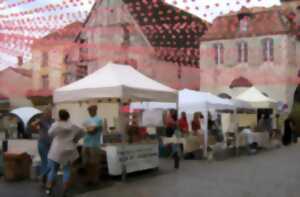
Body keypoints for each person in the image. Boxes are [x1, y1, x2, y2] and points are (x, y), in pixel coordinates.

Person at [45, 109, 84, 196]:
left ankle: (48, 189)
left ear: (59, 116)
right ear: (68, 116)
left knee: (53, 169)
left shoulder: (56, 124)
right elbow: (82, 132)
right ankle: (65, 190)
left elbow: (50, 134)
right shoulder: (73, 125)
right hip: (69, 150)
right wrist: (75, 139)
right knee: (67, 170)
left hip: (57, 150)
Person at [31, 107, 54, 186]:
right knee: (46, 161)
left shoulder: (52, 121)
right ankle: (43, 178)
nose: (49, 114)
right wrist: (37, 123)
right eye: (47, 112)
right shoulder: (41, 120)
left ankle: (45, 178)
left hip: (50, 144)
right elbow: (33, 125)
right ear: (44, 113)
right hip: (42, 143)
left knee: (49, 162)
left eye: (50, 112)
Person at [82, 105, 102, 184]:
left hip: (94, 144)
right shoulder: (87, 119)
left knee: (95, 163)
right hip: (86, 143)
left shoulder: (99, 119)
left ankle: (95, 179)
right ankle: (89, 178)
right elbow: (85, 129)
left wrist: (87, 128)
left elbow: (93, 131)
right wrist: (89, 128)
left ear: (95, 110)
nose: (90, 111)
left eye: (91, 109)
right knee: (87, 163)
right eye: (89, 110)